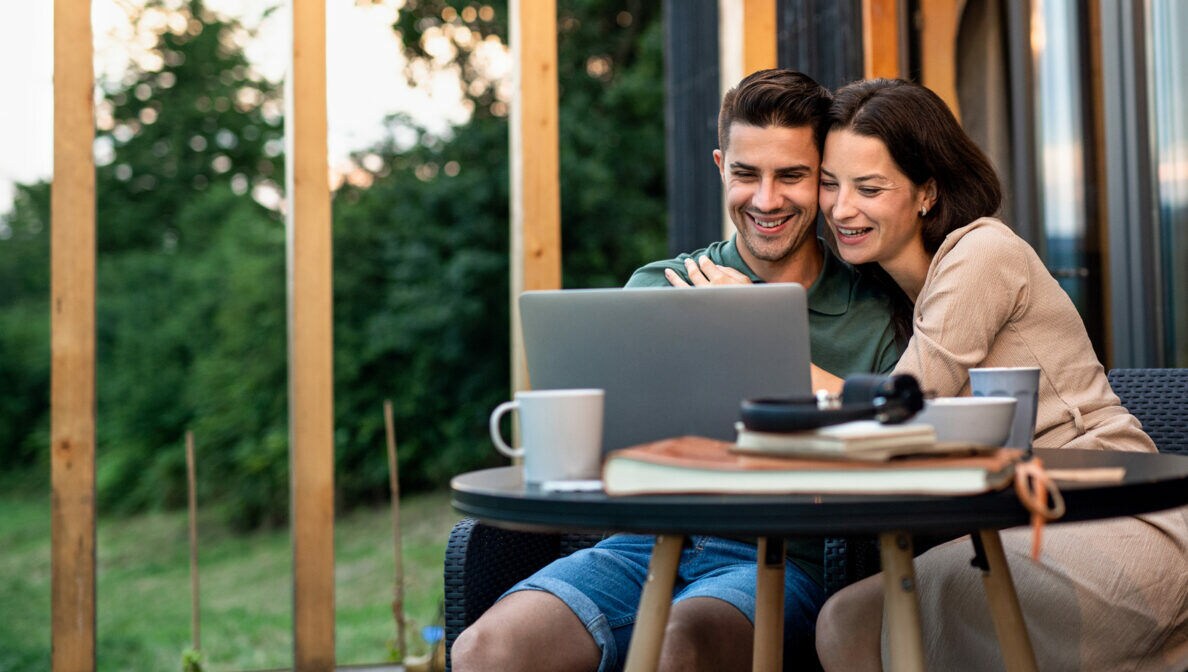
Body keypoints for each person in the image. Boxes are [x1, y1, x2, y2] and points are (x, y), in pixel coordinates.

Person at [451, 69, 901, 672]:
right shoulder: (655, 288)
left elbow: (894, 452)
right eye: (746, 174)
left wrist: (750, 330)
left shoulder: (874, 314)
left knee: (676, 646)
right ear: (721, 166)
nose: (766, 200)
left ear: (822, 180)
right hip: (640, 547)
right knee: (484, 651)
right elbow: (602, 457)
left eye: (791, 176)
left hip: (781, 563)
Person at [811, 78, 1188, 671]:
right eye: (829, 183)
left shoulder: (981, 251)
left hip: (1109, 519)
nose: (840, 207)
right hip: (1021, 518)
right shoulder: (903, 293)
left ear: (927, 192)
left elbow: (900, 407)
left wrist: (762, 349)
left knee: (855, 620)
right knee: (850, 619)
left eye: (869, 187)